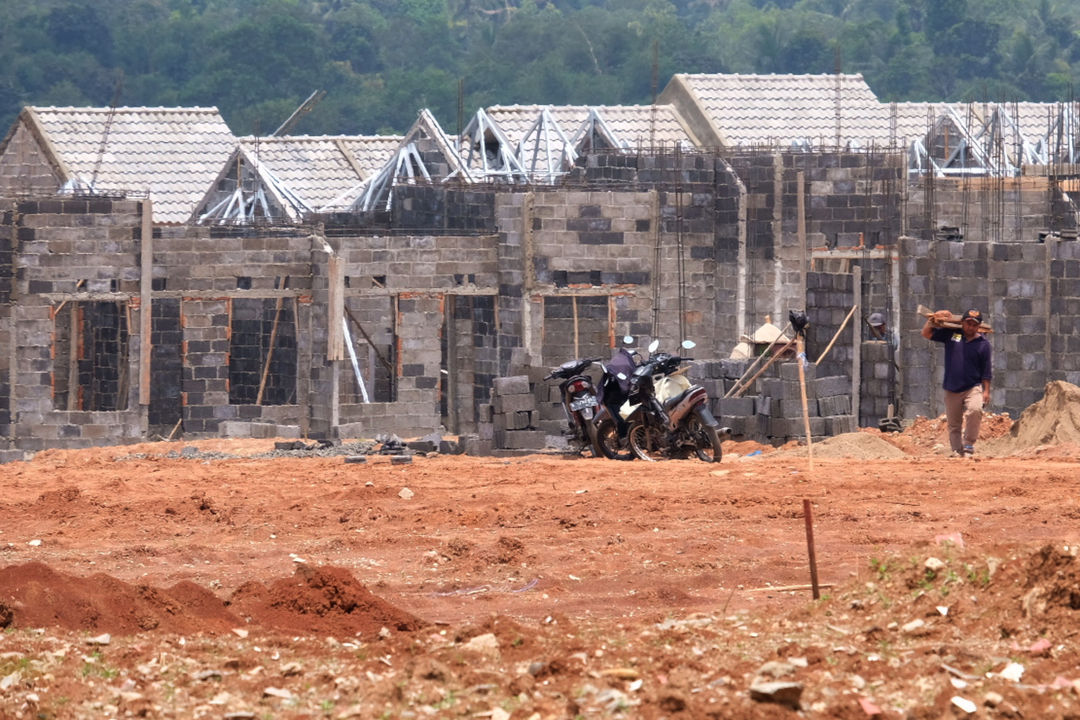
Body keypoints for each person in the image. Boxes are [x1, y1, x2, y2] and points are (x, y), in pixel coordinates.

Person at [921, 309, 992, 456]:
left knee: (975, 410)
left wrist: (986, 391)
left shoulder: (983, 344)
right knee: (954, 424)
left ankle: (969, 445)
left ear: (978, 326)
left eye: (974, 325)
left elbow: (986, 370)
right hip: (952, 387)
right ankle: (956, 451)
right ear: (962, 323)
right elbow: (927, 334)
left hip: (972, 386)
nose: (970, 327)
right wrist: (931, 320)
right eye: (968, 323)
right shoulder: (953, 335)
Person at [601, 337, 639, 437]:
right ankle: (625, 437)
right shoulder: (622, 363)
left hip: (620, 396)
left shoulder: (619, 361)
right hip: (618, 397)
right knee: (622, 418)